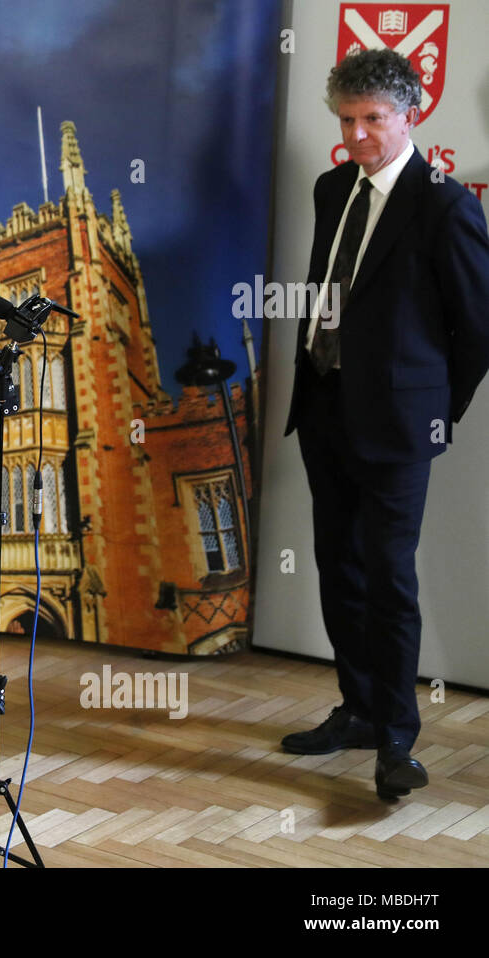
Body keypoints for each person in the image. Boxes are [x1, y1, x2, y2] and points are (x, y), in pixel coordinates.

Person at [282, 50, 489, 800]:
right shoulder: (332, 187)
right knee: (339, 569)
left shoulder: (445, 204)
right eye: (347, 120)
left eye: (374, 119)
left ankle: (397, 738)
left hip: (402, 428)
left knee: (390, 582)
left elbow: (479, 329)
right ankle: (360, 708)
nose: (359, 134)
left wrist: (435, 410)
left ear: (411, 116)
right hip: (325, 409)